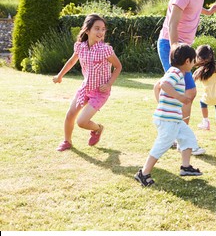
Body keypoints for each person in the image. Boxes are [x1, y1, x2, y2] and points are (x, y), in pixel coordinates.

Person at [158, 0, 216, 154]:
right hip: (171, 45)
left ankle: (174, 137)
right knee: (187, 91)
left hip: (184, 47)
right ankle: (182, 140)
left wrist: (208, 11)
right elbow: (172, 22)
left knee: (182, 92)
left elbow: (193, 7)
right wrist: (174, 48)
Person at [135, 44, 204, 186]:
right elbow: (164, 85)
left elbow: (160, 85)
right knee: (162, 145)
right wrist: (180, 97)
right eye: (193, 61)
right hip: (167, 120)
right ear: (187, 61)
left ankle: (186, 167)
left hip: (174, 119)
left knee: (188, 137)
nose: (193, 64)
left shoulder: (176, 72)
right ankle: (143, 173)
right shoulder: (176, 72)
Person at [53, 14, 122, 151]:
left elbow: (118, 66)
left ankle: (98, 129)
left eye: (103, 29)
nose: (101, 32)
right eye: (97, 28)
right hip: (85, 88)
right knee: (70, 114)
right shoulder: (80, 47)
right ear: (87, 30)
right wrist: (60, 75)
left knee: (82, 122)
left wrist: (109, 84)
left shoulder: (105, 50)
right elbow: (72, 61)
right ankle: (67, 141)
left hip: (100, 92)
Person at [193, 45, 216, 147]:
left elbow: (192, 80)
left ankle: (205, 122)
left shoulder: (200, 70)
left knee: (202, 102)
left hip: (208, 97)